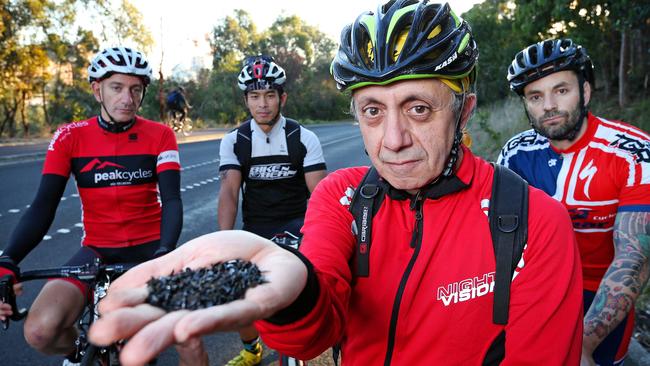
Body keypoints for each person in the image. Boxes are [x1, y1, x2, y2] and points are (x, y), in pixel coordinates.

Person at [88, 2, 583, 365]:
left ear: (463, 111)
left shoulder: (533, 221)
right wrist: (295, 292)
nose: (393, 140)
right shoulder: (342, 197)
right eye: (372, 111)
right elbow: (309, 335)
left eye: (418, 109)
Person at [0, 46, 189, 365]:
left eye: (135, 89)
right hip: (97, 250)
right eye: (117, 87)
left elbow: (172, 200)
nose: (127, 99)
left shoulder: (160, 135)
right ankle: (85, 352)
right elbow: (44, 206)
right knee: (40, 332)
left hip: (150, 250)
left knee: (189, 341)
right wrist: (8, 259)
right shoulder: (68, 137)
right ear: (97, 90)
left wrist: (165, 252)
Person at [498, 38, 650, 366]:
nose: (548, 105)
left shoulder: (633, 151)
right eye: (535, 97)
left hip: (602, 292)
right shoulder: (514, 152)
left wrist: (583, 344)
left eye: (561, 91)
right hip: (538, 291)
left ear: (585, 92)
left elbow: (634, 259)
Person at [218, 55, 327, 366]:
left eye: (269, 95)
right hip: (257, 227)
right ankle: (252, 349)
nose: (262, 104)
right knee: (242, 293)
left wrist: (322, 236)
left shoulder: (303, 138)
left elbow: (319, 194)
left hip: (296, 224)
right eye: (255, 96)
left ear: (282, 97)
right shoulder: (235, 140)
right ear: (246, 100)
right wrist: (225, 241)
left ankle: (302, 341)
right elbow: (229, 191)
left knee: (298, 288)